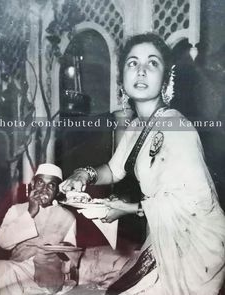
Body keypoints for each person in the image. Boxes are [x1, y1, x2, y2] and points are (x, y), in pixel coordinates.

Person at [60, 33, 225, 295]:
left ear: (166, 79)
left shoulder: (176, 126)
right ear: (122, 78)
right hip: (161, 243)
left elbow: (198, 203)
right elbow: (114, 170)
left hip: (194, 252)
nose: (141, 71)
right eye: (133, 63)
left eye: (152, 63)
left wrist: (127, 208)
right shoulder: (137, 127)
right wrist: (83, 173)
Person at [0, 163, 77, 295]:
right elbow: (2, 241)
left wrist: (62, 250)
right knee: (0, 267)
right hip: (17, 269)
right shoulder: (16, 210)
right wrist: (29, 213)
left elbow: (72, 258)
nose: (44, 189)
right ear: (32, 184)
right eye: (40, 183)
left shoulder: (67, 217)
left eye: (51, 185)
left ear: (57, 191)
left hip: (50, 275)